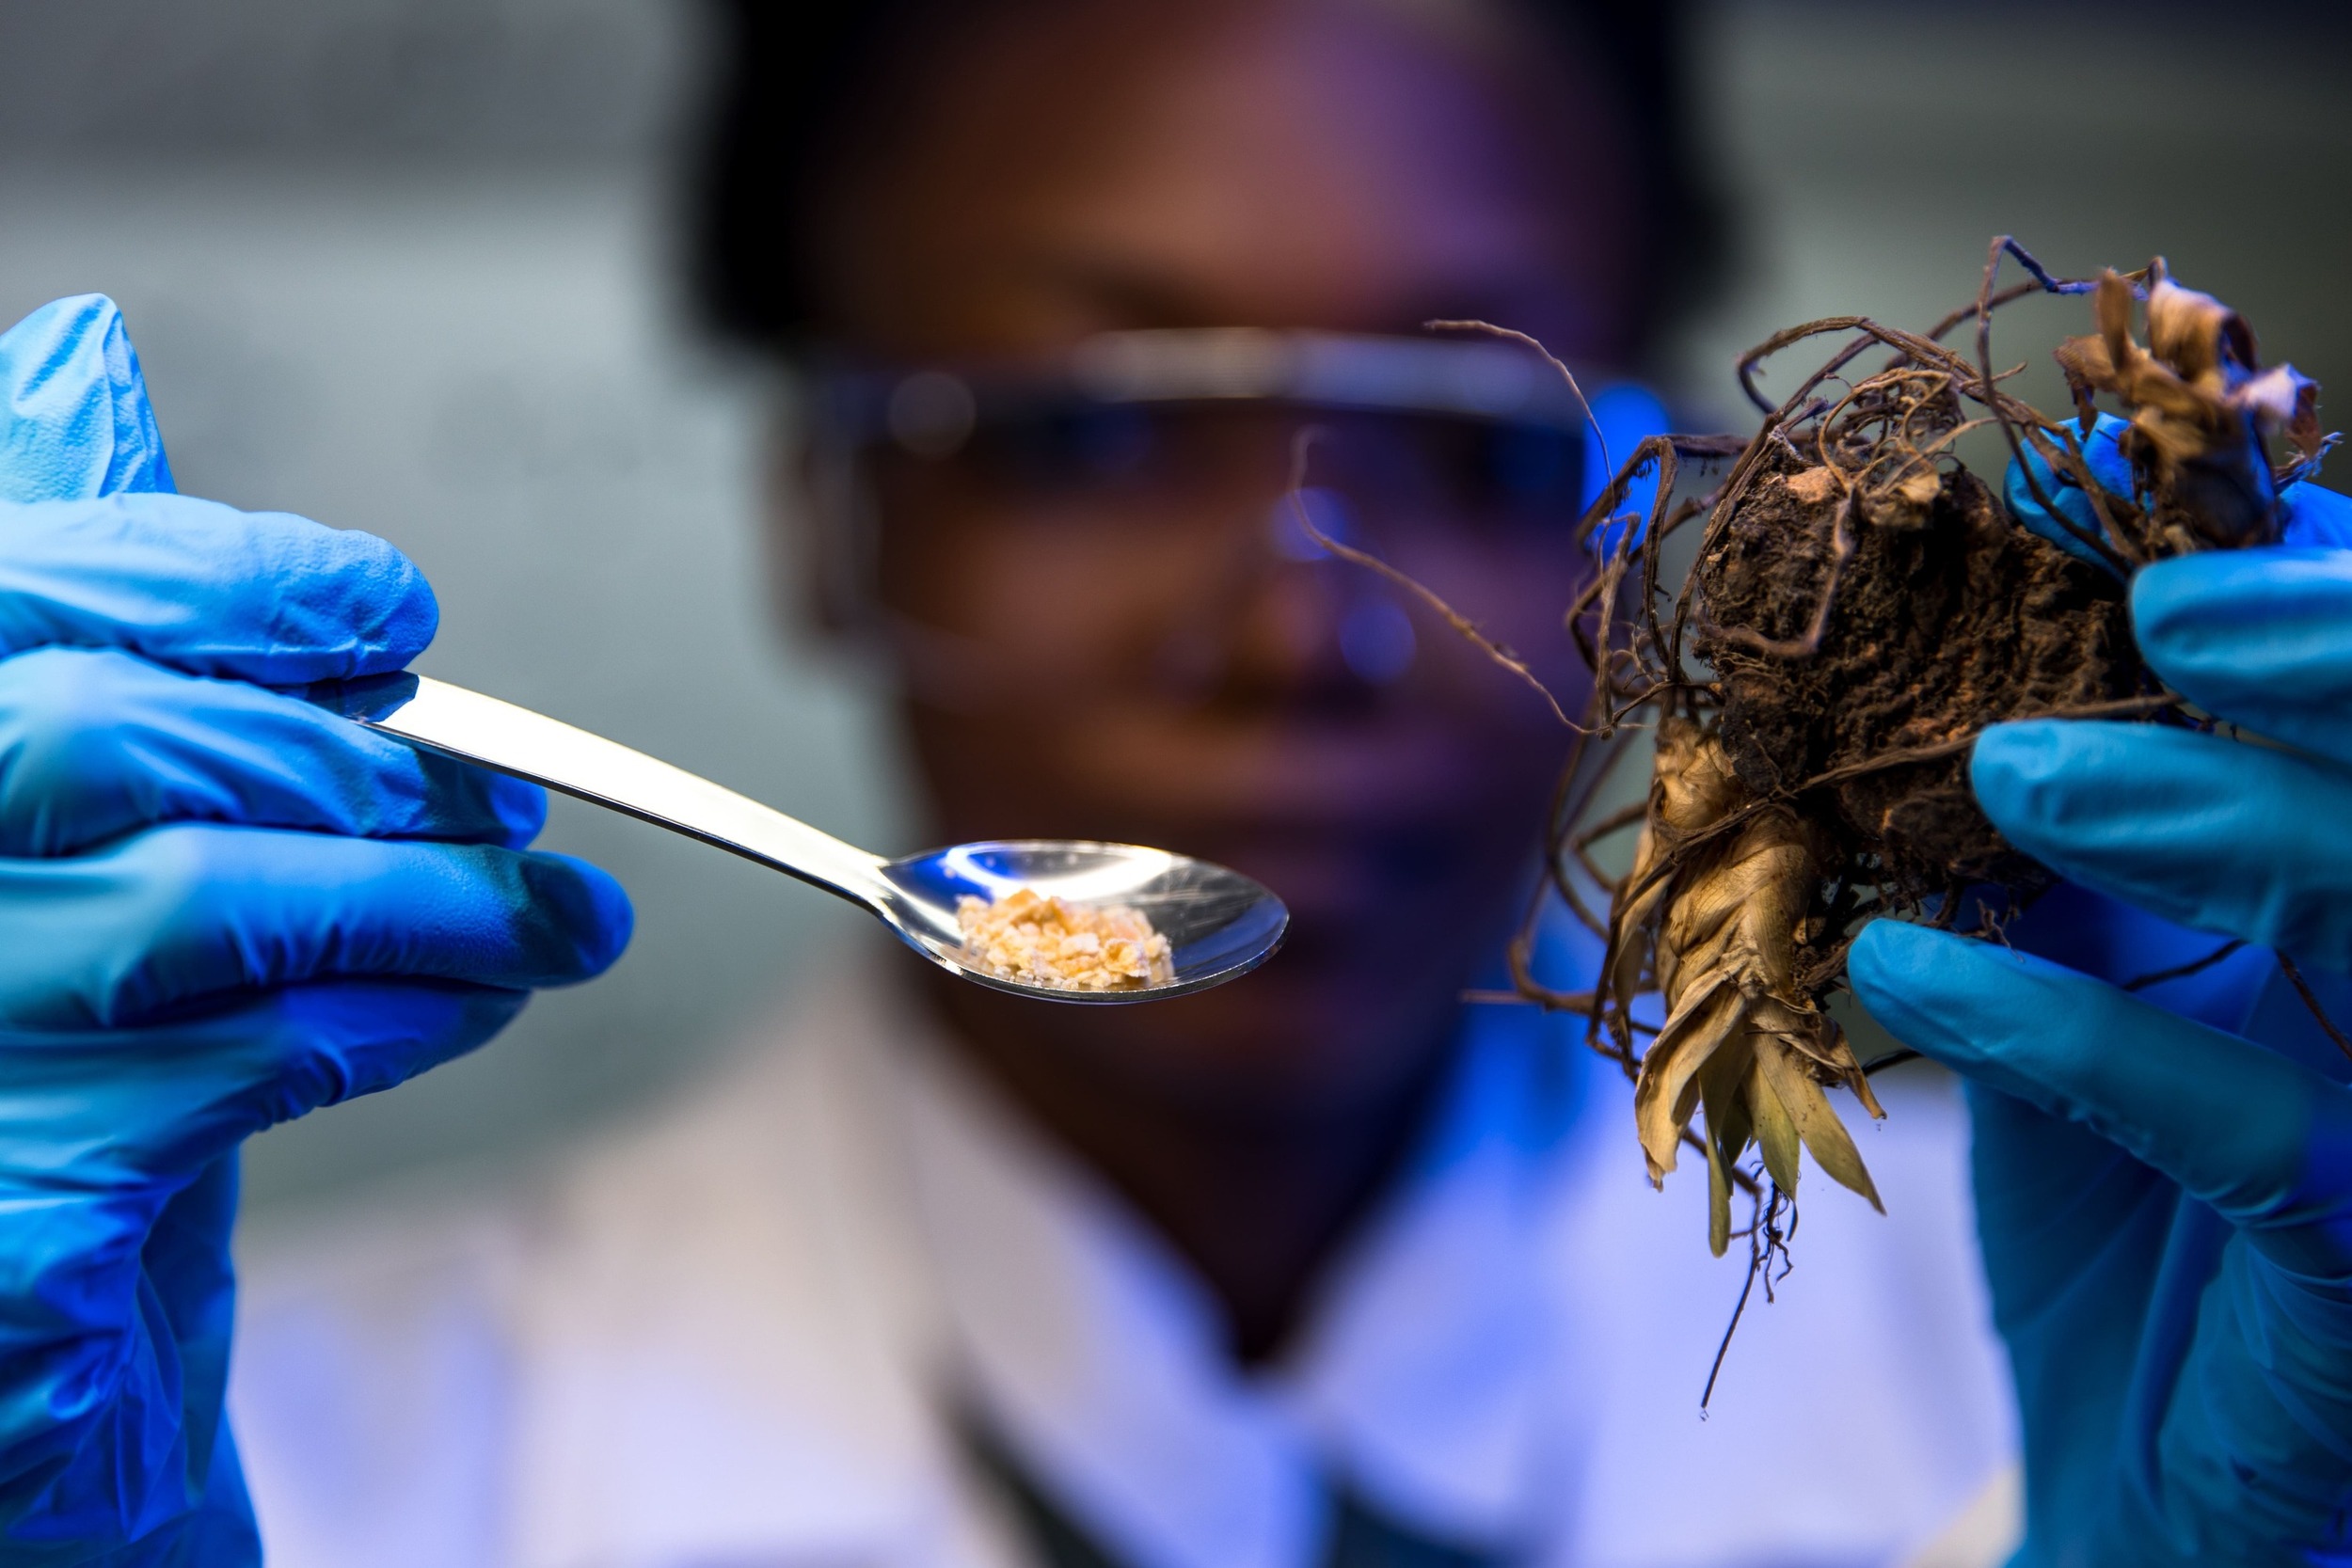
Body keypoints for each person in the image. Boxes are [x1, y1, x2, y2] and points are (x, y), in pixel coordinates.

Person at [0, 1, 2348, 1564]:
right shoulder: (288, 1466)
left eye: (1461, 439)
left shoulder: (2145, 1375)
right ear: (826, 520)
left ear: (1684, 524)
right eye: (1088, 434)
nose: (1298, 623)